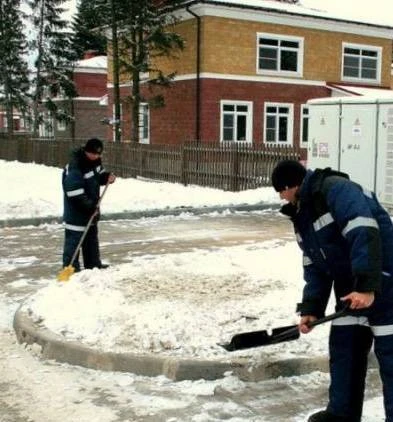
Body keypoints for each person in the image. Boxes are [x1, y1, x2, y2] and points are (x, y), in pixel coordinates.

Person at [271, 159, 393, 422]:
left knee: (391, 355)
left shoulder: (337, 189)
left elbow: (364, 230)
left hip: (384, 279)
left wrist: (368, 287)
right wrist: (311, 309)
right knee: (345, 348)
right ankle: (342, 415)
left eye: (281, 190)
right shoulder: (302, 215)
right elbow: (315, 265)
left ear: (292, 184)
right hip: (352, 287)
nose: (281, 197)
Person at [62, 137, 116, 272]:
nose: (96, 156)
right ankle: (70, 268)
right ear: (86, 151)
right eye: (93, 153)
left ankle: (93, 264)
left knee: (91, 239)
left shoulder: (96, 162)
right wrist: (89, 206)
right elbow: (74, 192)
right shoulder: (76, 165)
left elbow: (99, 176)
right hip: (76, 212)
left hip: (91, 209)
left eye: (98, 154)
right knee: (74, 242)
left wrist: (108, 177)